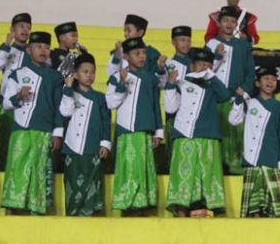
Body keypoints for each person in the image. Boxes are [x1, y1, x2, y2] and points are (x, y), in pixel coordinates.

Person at [0, 31, 64, 215]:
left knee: (39, 171)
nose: (42, 50)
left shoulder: (54, 77)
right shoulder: (17, 74)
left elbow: (58, 106)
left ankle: (36, 209)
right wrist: (19, 96)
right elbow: (6, 103)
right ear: (29, 50)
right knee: (18, 168)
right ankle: (15, 208)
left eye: (46, 47)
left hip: (44, 132)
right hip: (21, 130)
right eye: (38, 46)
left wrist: (57, 133)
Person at [164, 47, 230, 217]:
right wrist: (170, 84)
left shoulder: (213, 85)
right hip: (183, 135)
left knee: (206, 175)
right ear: (192, 66)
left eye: (207, 65)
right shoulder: (181, 82)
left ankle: (208, 212)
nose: (203, 68)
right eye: (200, 64)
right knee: (184, 176)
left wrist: (211, 76)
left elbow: (225, 96)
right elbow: (170, 108)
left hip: (207, 136)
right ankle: (181, 213)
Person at [106, 38, 163, 215]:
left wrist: (158, 131)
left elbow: (155, 105)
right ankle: (128, 205)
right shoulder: (117, 77)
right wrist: (122, 84)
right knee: (128, 168)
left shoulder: (151, 79)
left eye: (144, 53)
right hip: (126, 131)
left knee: (142, 169)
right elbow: (110, 103)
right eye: (137, 53)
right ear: (126, 56)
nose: (142, 57)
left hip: (145, 131)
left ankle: (142, 205)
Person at [229, 66, 280, 218]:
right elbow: (233, 120)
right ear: (258, 83)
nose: (270, 82)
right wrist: (239, 98)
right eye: (266, 78)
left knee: (270, 206)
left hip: (270, 158)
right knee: (253, 205)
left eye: (274, 79)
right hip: (251, 159)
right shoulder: (250, 103)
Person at [206, 5, 255, 175]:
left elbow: (250, 73)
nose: (229, 24)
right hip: (215, 97)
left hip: (235, 97)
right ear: (219, 23)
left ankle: (235, 164)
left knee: (235, 133)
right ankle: (216, 166)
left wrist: (244, 90)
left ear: (236, 24)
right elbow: (204, 69)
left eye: (232, 21)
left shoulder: (243, 45)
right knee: (216, 130)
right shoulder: (211, 45)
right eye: (225, 20)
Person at [60, 53, 111, 216]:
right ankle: (73, 214)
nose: (89, 75)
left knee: (92, 183)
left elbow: (105, 121)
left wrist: (105, 143)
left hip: (92, 148)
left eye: (92, 72)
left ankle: (90, 214)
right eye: (85, 71)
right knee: (73, 183)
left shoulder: (99, 97)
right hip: (72, 148)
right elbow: (65, 112)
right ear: (75, 74)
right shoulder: (69, 93)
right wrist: (68, 88)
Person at [0, 13, 32, 171]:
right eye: (21, 26)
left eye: (28, 27)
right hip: (7, 103)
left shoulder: (32, 51)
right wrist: (7, 43)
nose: (25, 30)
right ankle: (2, 171)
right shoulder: (7, 49)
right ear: (12, 29)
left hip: (27, 103)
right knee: (6, 140)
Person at [159, 25, 193, 174]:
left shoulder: (196, 64)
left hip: (191, 113)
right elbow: (161, 84)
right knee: (173, 152)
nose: (185, 44)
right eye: (181, 40)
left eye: (188, 40)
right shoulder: (168, 64)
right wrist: (160, 69)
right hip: (174, 112)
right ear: (173, 42)